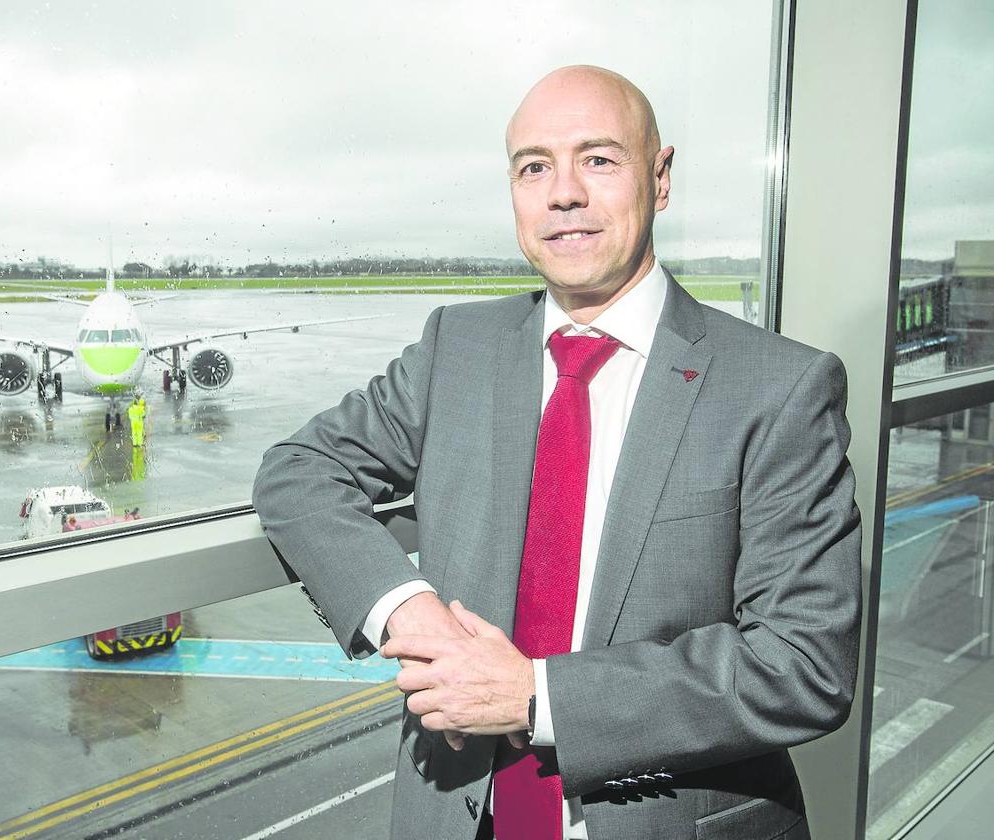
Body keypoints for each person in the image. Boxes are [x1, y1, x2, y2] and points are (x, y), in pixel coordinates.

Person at [253, 65, 860, 840]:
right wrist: (410, 612)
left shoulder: (779, 387)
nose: (563, 192)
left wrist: (536, 696)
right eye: (533, 166)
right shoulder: (456, 350)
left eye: (598, 160)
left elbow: (802, 665)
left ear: (662, 178)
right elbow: (301, 470)